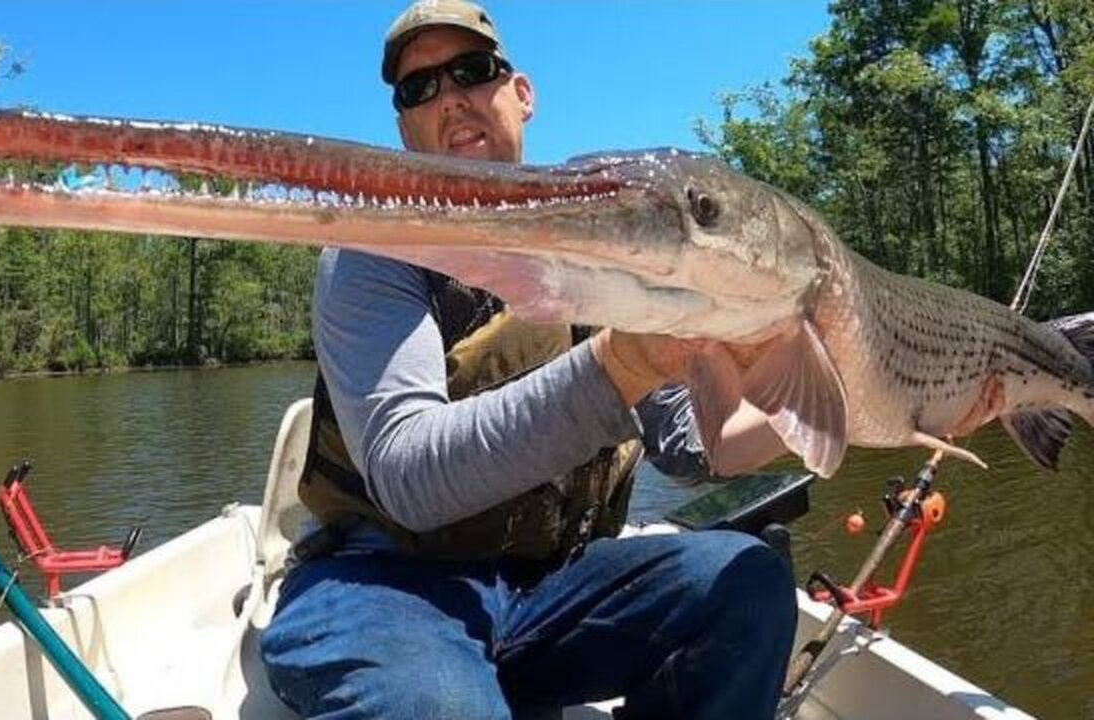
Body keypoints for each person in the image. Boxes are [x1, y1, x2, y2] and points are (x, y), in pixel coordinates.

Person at [260, 2, 797, 718]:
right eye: (418, 89)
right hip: (381, 581)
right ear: (404, 128)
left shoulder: (609, 245)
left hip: (546, 586)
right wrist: (621, 366)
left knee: (746, 585)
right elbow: (408, 474)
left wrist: (834, 406)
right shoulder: (374, 249)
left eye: (473, 71)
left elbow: (697, 444)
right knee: (440, 706)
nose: (449, 97)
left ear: (522, 94)